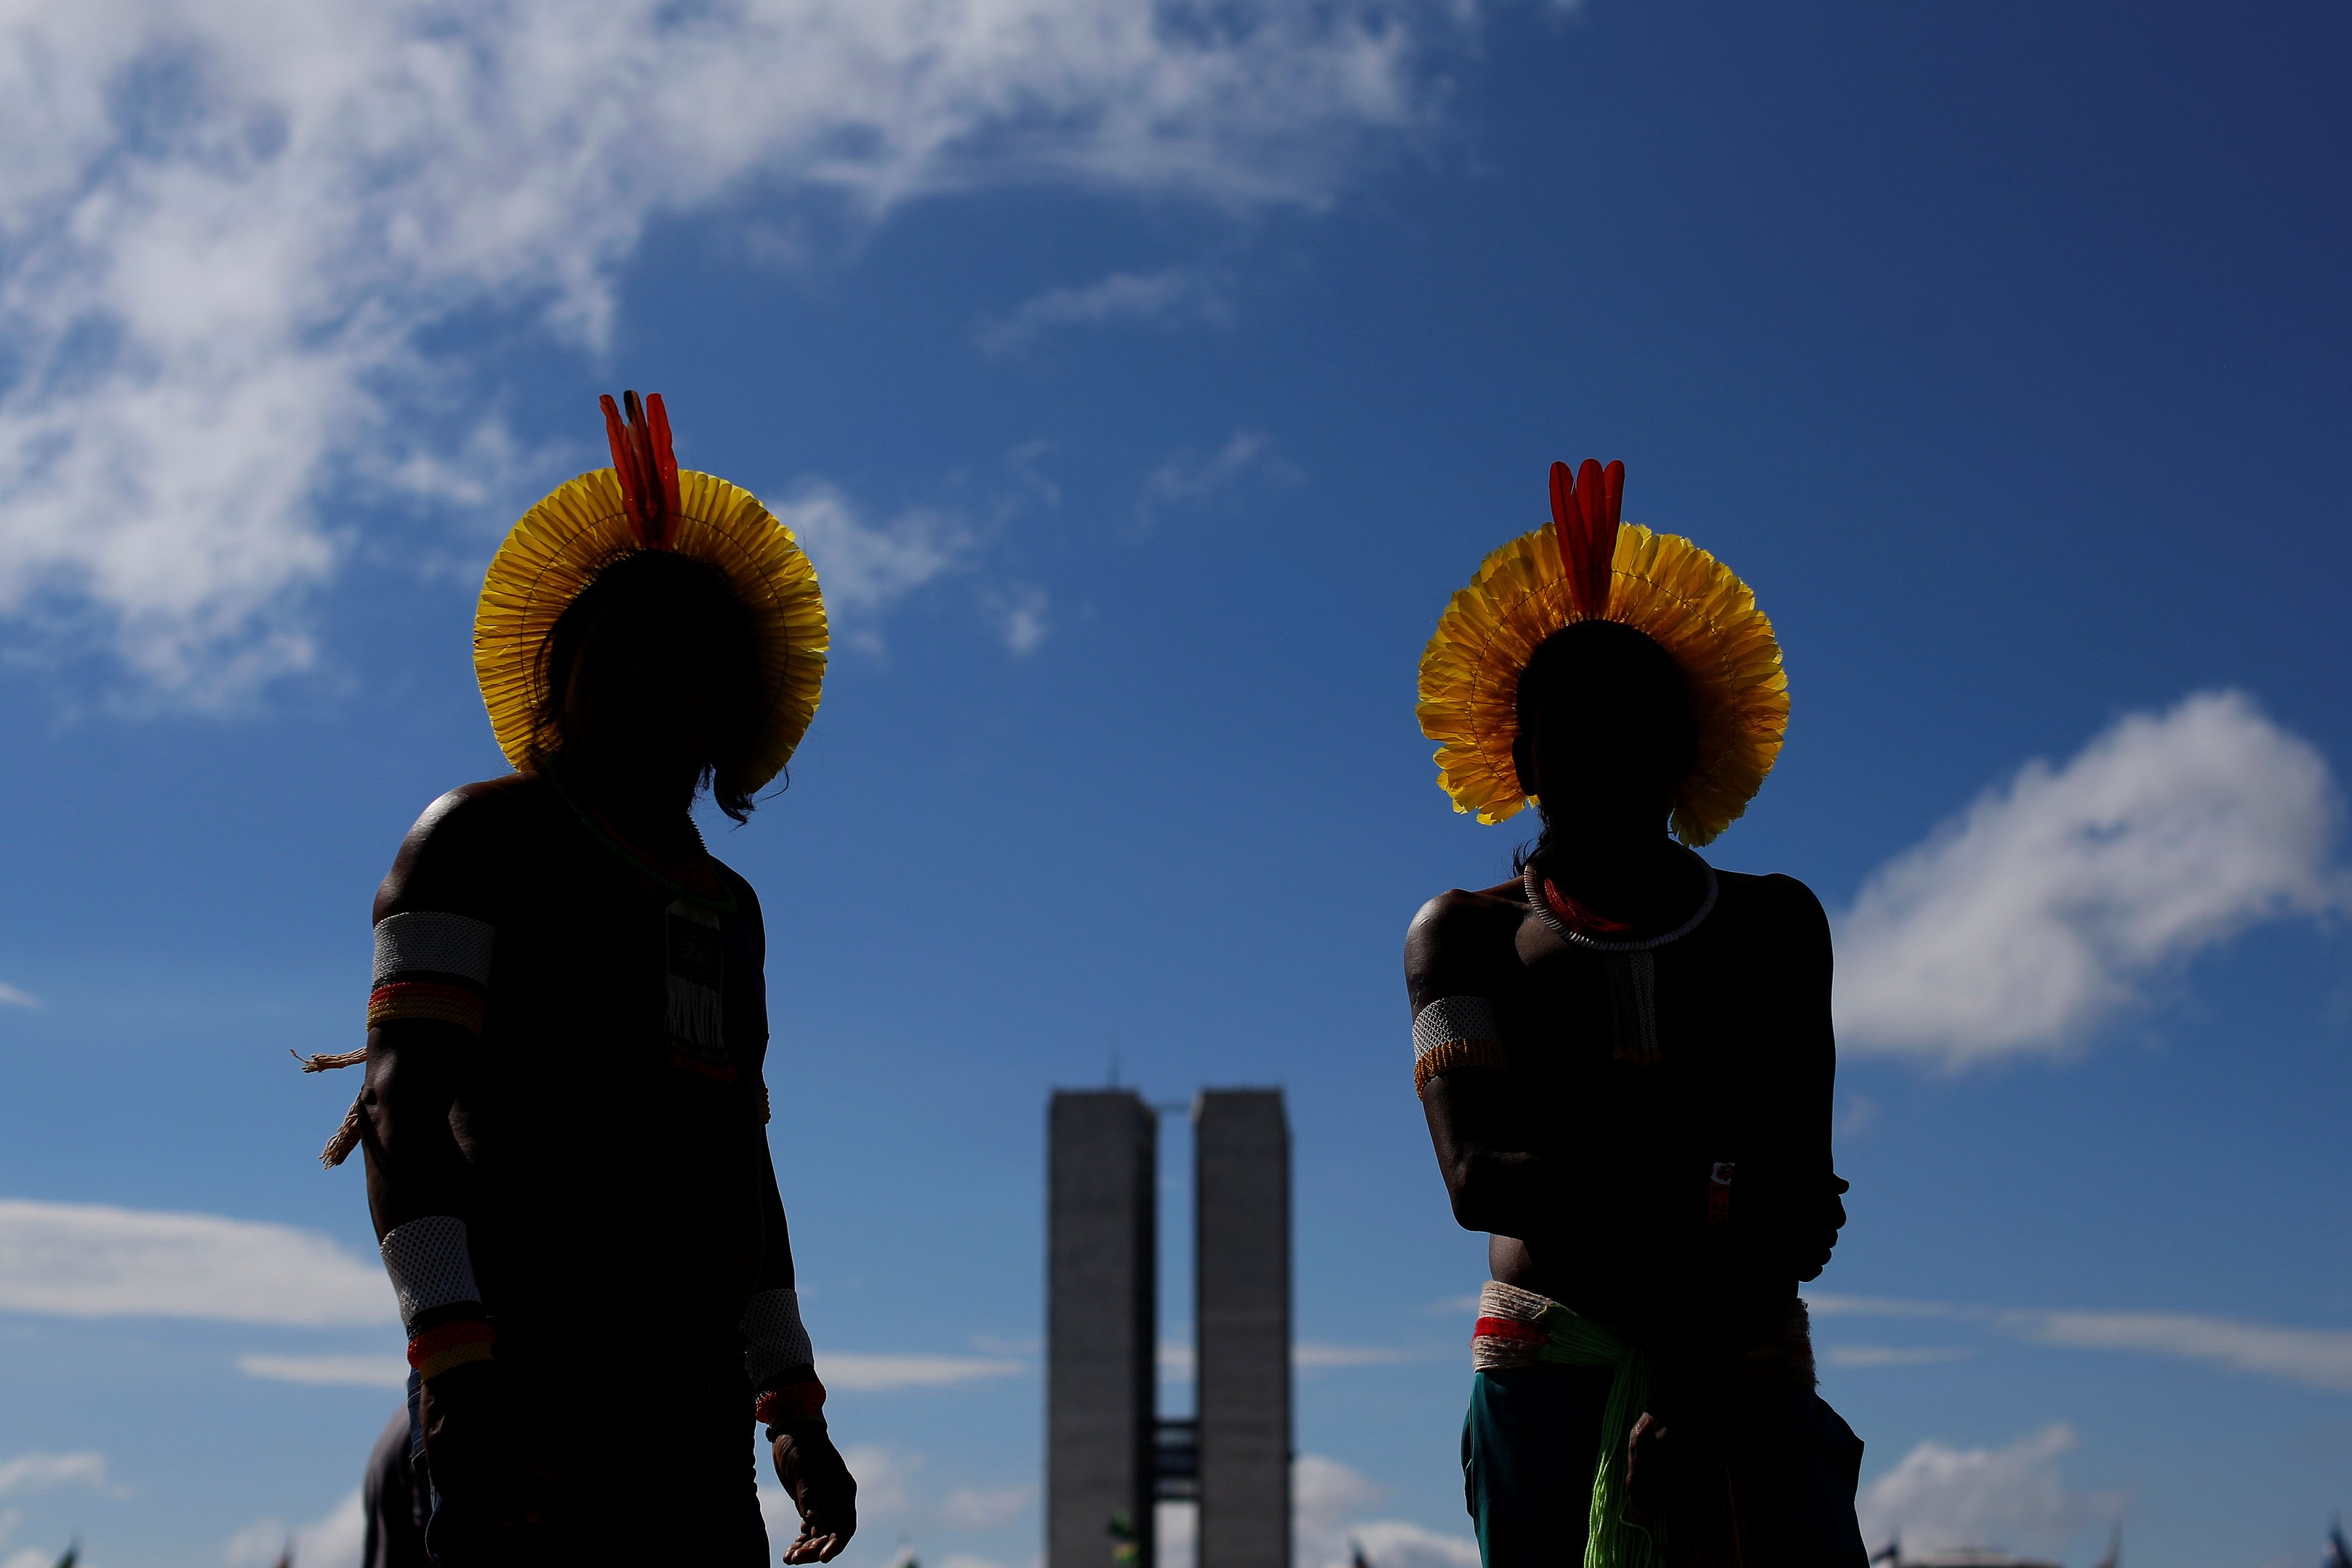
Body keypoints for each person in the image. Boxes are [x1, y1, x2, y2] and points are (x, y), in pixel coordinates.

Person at [305, 392, 854, 1564]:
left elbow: (738, 1162)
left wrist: (790, 1402)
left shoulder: (729, 911)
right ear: (559, 675)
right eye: (625, 645)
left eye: (688, 653)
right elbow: (404, 1104)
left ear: (732, 705)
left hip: (697, 1409)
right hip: (527, 1379)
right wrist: (453, 1358)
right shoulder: (470, 843)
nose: (655, 676)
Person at [1407, 459, 1866, 1567]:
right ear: (1519, 758)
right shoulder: (1458, 935)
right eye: (1571, 722)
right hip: (1549, 1378)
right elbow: (1481, 1182)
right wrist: (1715, 1183)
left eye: (1633, 719)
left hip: (1743, 1371)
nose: (1603, 742)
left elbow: (1802, 1206)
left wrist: (1698, 1377)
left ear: (1688, 748)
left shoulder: (1774, 925)